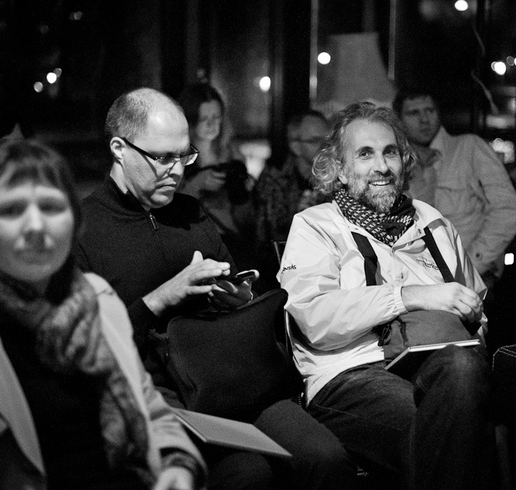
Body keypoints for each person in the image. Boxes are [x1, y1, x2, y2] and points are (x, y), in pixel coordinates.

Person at [75, 87, 357, 490]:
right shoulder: (85, 229)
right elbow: (86, 348)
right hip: (154, 389)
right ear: (119, 149)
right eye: (163, 158)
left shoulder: (190, 212)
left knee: (324, 458)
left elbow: (237, 288)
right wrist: (160, 299)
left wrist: (239, 298)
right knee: (248, 474)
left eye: (184, 156)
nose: (177, 171)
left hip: (229, 375)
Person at [0, 139, 205, 489]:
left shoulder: (97, 299)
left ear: (74, 221)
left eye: (52, 207)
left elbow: (150, 409)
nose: (36, 227)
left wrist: (177, 464)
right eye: (11, 210)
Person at [277, 101, 496, 489]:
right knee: (450, 429)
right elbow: (314, 320)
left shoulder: (433, 222)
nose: (382, 166)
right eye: (365, 154)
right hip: (351, 373)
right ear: (340, 168)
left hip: (438, 362)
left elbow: (477, 309)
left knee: (469, 372)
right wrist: (409, 296)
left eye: (390, 152)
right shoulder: (316, 225)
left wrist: (468, 319)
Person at [393, 89, 516, 288]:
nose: (424, 120)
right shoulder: (397, 165)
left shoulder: (469, 147)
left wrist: (472, 264)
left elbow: (506, 209)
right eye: (414, 113)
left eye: (430, 111)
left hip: (472, 277)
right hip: (422, 280)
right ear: (399, 121)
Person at [177, 82, 258, 277]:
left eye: (216, 117)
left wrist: (242, 192)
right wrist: (196, 184)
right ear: (189, 120)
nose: (211, 125)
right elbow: (168, 210)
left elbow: (245, 220)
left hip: (229, 242)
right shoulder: (177, 156)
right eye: (203, 118)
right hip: (191, 244)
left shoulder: (232, 154)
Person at [252, 110, 330, 290]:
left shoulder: (338, 179)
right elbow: (268, 239)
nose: (325, 147)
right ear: (295, 146)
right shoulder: (275, 179)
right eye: (315, 141)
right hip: (281, 277)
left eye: (328, 140)